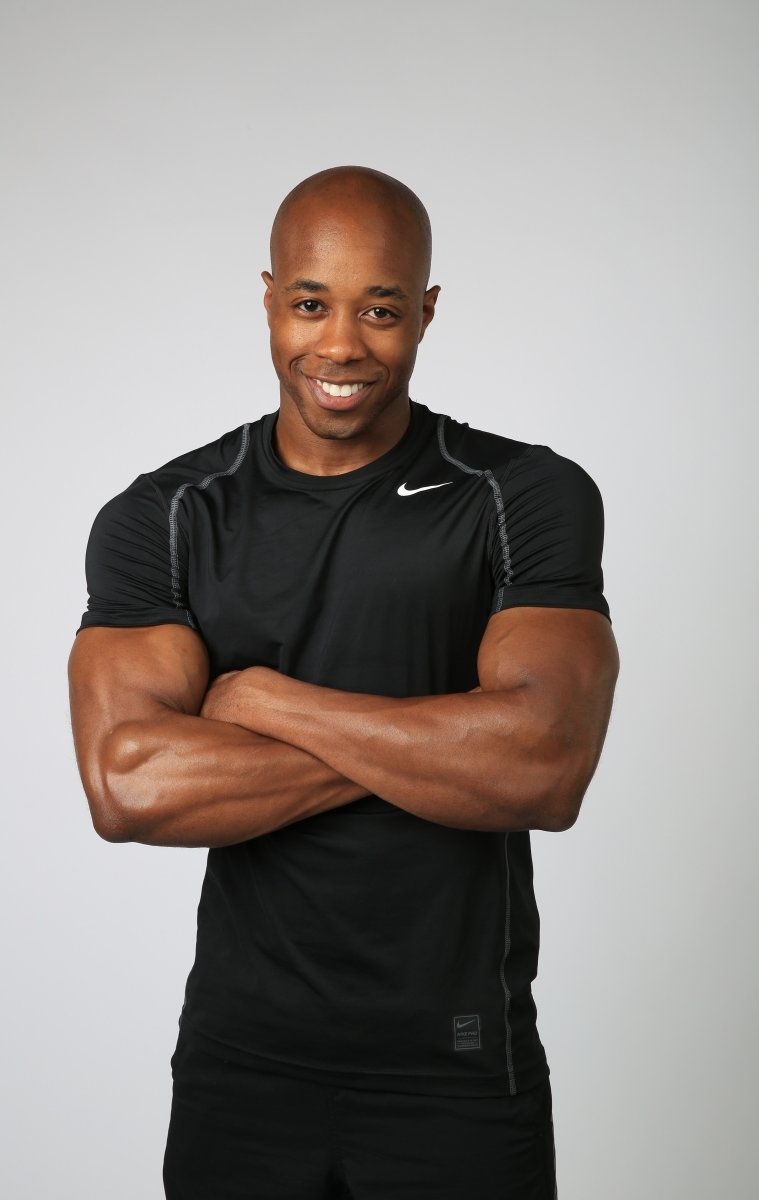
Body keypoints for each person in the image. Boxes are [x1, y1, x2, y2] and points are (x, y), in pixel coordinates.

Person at [69, 165, 619, 1199]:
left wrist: (267, 701)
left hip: (456, 1064)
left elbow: (543, 767)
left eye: (380, 310)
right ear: (269, 298)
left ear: (426, 313)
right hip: (239, 1063)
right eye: (311, 304)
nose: (340, 346)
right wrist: (452, 745)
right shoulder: (168, 516)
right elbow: (130, 786)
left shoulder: (519, 496)